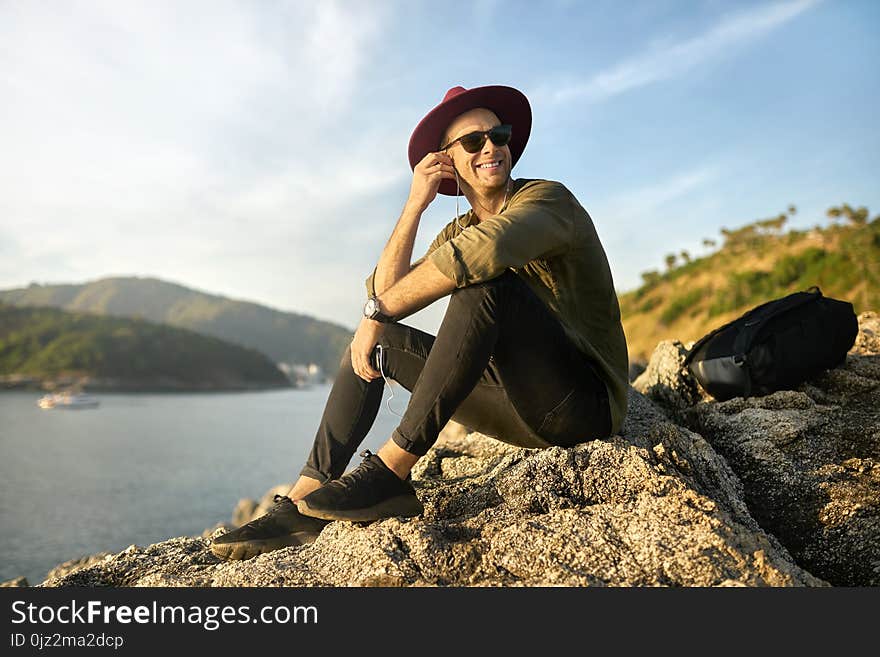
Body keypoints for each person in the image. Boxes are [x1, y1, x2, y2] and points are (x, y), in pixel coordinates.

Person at [212, 85, 629, 561]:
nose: (491, 146)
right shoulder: (458, 229)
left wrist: (380, 310)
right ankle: (304, 500)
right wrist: (413, 206)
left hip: (585, 407)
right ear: (447, 160)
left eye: (499, 134)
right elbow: (387, 294)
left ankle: (391, 474)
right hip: (516, 407)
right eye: (472, 141)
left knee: (484, 284)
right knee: (377, 339)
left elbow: (482, 254)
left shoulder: (549, 201)